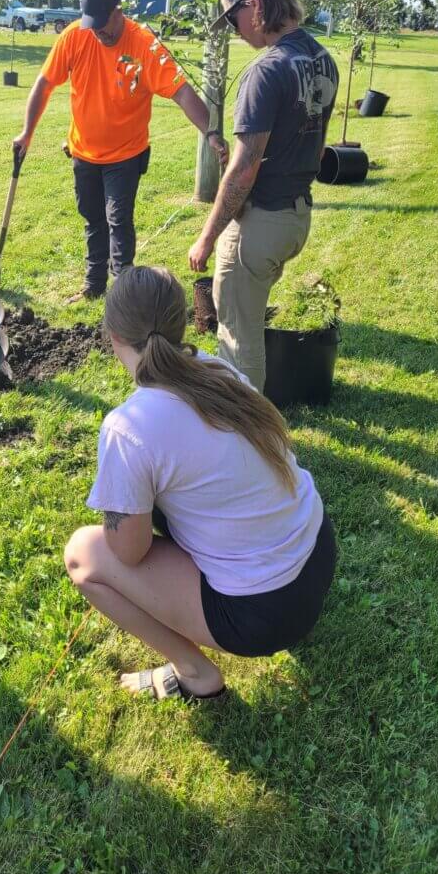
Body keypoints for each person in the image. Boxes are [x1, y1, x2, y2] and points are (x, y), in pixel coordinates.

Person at [64, 266, 336, 701]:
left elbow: (127, 552)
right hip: (319, 555)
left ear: (113, 336)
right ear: (186, 320)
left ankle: (195, 673)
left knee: (83, 554)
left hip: (265, 613)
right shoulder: (218, 370)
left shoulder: (128, 428)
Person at [14, 0, 228, 303]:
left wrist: (210, 132)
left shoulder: (143, 44)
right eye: (93, 26)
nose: (99, 33)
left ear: (118, 12)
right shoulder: (74, 36)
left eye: (103, 25)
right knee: (92, 217)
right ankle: (93, 285)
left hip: (126, 154)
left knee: (118, 219)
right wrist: (27, 132)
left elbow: (182, 92)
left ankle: (123, 291)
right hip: (83, 151)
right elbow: (44, 84)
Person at [188, 0, 339, 393]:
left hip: (261, 222)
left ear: (253, 5)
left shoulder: (265, 71)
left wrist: (207, 236)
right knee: (248, 315)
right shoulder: (322, 59)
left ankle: (247, 432)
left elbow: (243, 171)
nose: (235, 30)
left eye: (233, 18)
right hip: (296, 217)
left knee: (237, 337)